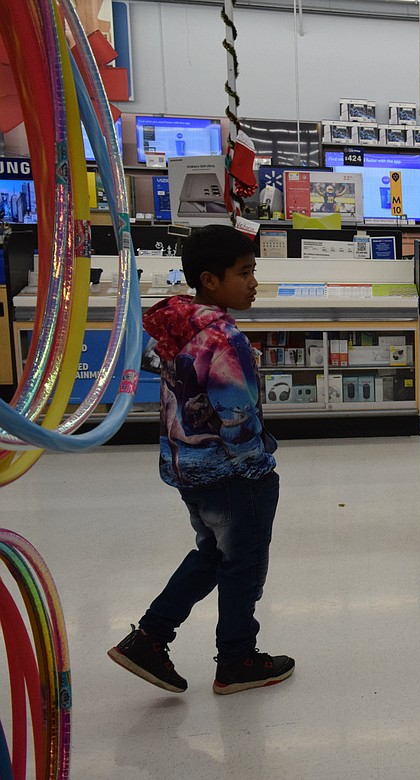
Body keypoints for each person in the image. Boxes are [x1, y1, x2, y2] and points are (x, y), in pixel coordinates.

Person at [107, 225, 294, 696]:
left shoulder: (176, 326)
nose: (254, 282)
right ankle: (236, 659)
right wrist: (259, 467)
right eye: (244, 272)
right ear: (210, 280)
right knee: (243, 565)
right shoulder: (223, 339)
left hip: (190, 470)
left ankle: (149, 637)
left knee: (214, 555)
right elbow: (237, 415)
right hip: (233, 474)